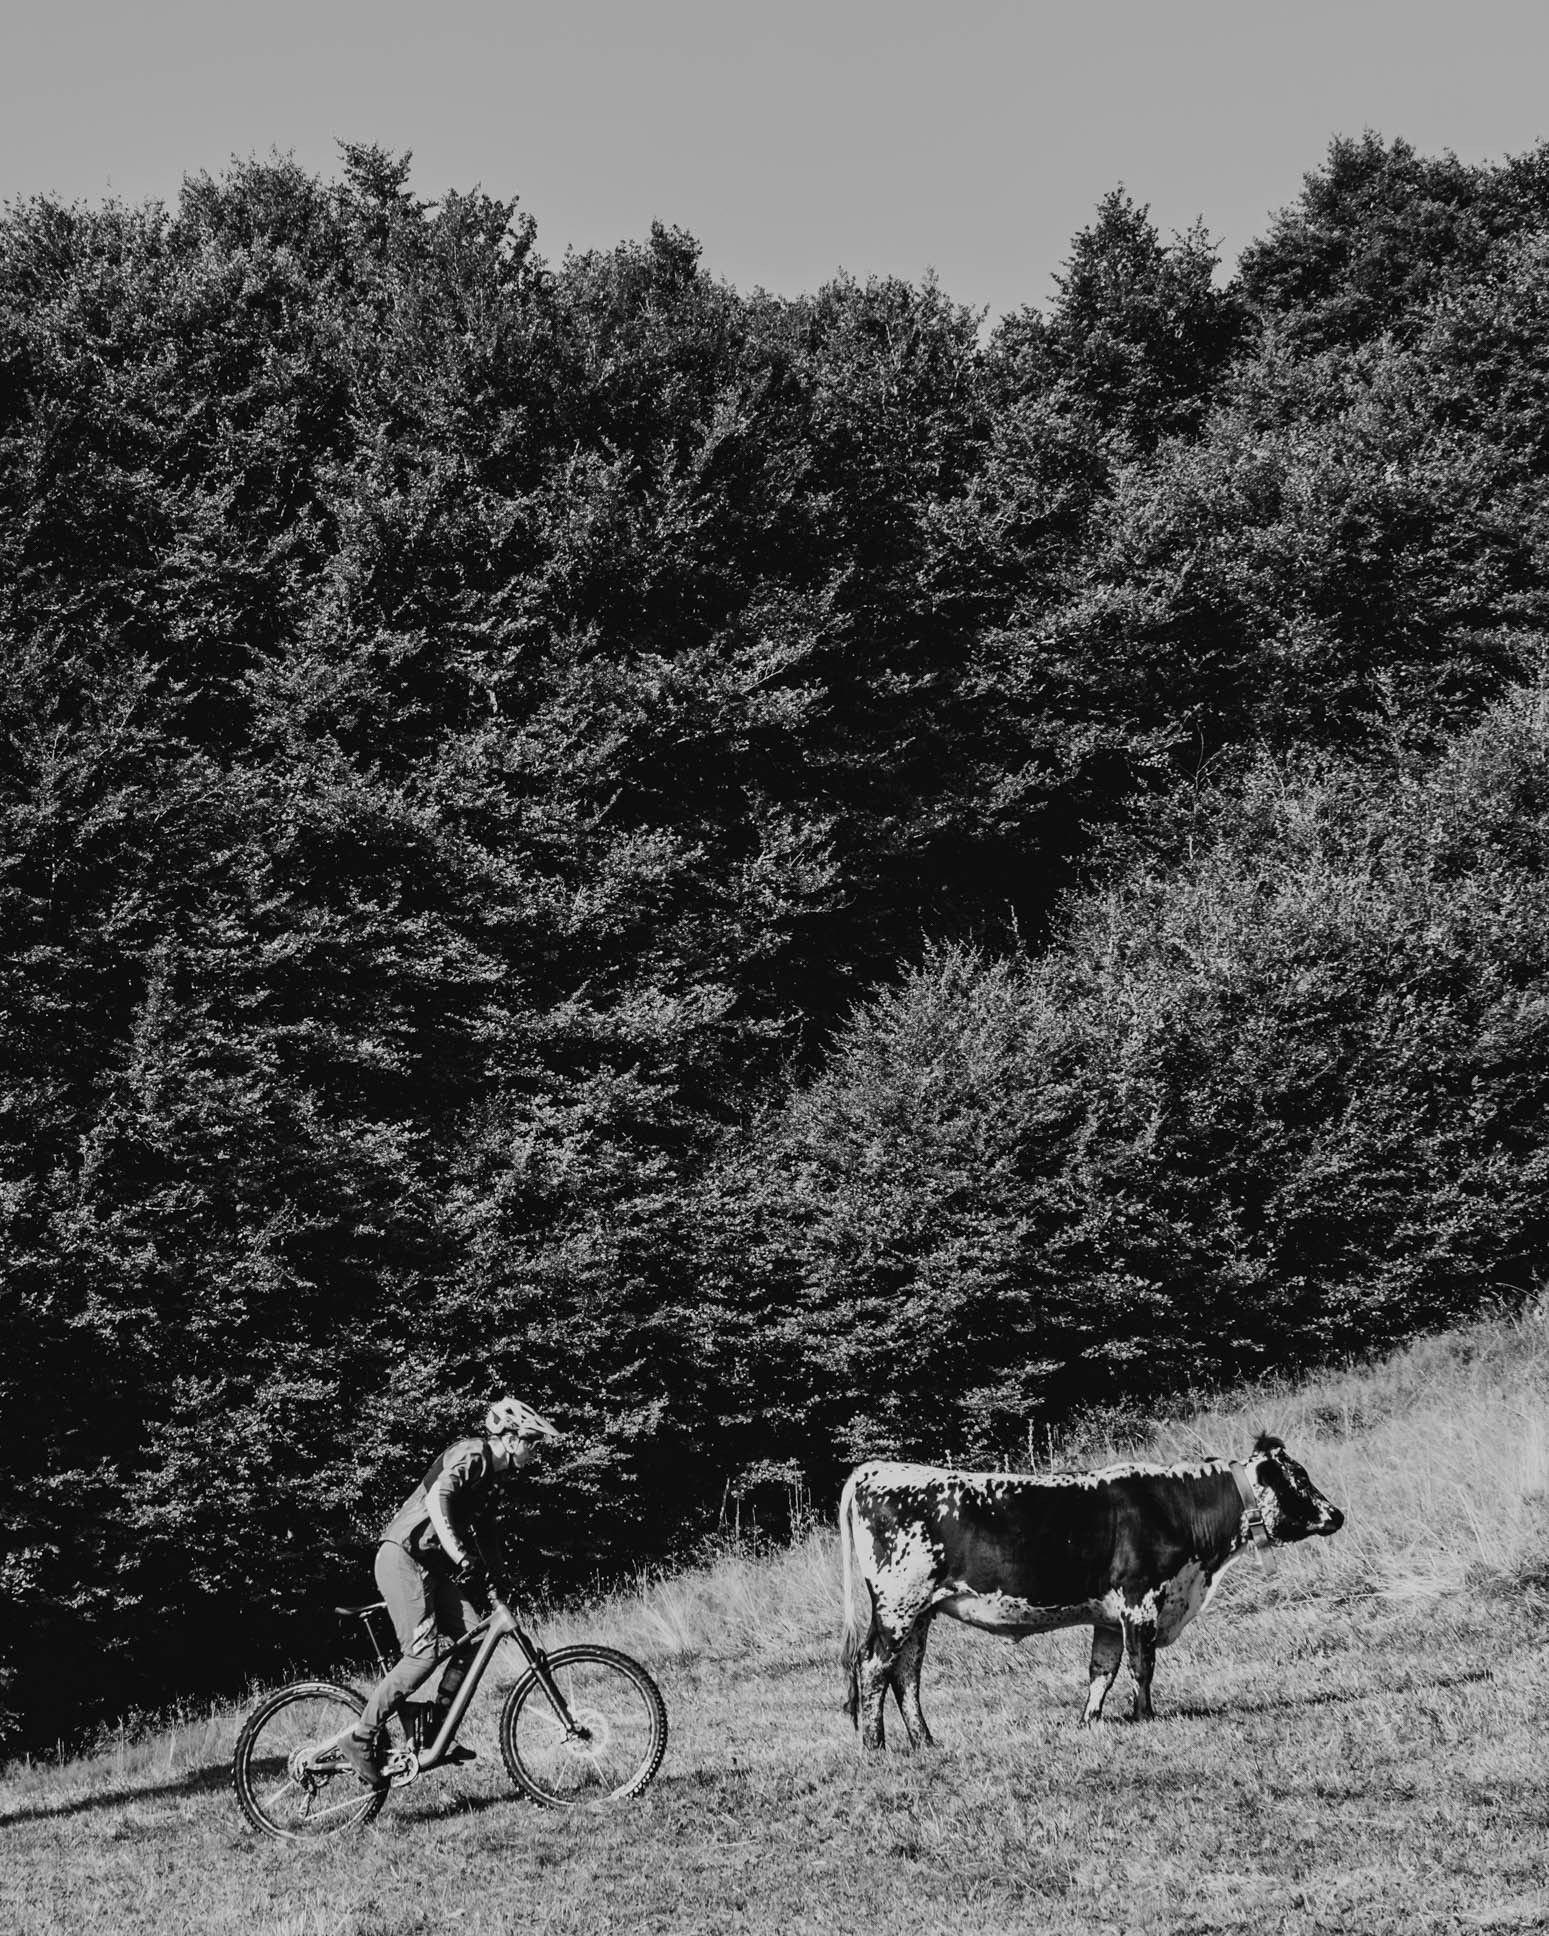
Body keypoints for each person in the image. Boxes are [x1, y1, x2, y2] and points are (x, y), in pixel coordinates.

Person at [342, 1395, 564, 1787]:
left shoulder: (495, 1479)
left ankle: (432, 1728)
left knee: (473, 1637)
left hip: (428, 1566)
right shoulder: (472, 1454)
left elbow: (488, 1533)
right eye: (532, 1441)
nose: (535, 1451)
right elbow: (437, 1498)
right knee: (422, 1655)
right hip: (402, 1557)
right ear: (510, 1439)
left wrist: (498, 1576)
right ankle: (361, 1737)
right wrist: (461, 1555)